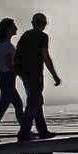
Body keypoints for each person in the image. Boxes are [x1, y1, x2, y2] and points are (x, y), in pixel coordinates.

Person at [14, 12, 62, 141]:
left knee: (36, 101)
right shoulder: (42, 36)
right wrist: (55, 76)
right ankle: (24, 133)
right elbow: (45, 57)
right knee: (33, 103)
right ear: (44, 24)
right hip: (35, 74)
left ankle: (42, 130)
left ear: (32, 23)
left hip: (25, 74)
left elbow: (17, 55)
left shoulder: (25, 35)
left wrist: (20, 73)